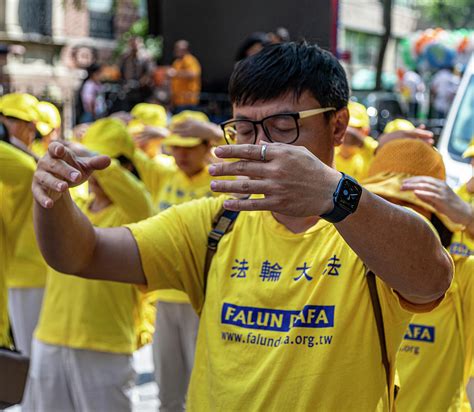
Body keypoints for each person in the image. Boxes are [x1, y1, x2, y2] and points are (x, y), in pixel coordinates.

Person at [32, 42, 453, 411]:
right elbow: (80, 254)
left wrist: (336, 196)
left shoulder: (367, 224)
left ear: (337, 125)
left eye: (282, 127)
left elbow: (431, 278)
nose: (260, 146)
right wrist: (52, 198)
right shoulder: (215, 221)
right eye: (245, 129)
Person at [24, 118, 154, 411]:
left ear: (125, 167)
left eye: (99, 165)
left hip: (105, 345)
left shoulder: (135, 213)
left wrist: (89, 154)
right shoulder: (76, 208)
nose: (92, 175)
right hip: (50, 338)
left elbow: (138, 195)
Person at [362, 138, 473, 411]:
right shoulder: (340, 266)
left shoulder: (461, 276)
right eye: (382, 208)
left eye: (407, 213)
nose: (392, 226)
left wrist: (470, 219)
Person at [132, 110, 221, 410]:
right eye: (176, 146)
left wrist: (210, 129)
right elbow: (124, 147)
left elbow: (250, 156)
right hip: (165, 297)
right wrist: (163, 131)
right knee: (168, 389)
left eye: (190, 145)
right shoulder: (164, 175)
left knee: (205, 390)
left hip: (203, 299)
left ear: (207, 147)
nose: (181, 153)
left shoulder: (222, 178)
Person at [0, 93, 47, 357]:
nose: (6, 124)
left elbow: (23, 171)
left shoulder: (30, 164)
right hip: (12, 274)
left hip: (30, 273)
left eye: (11, 119)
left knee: (30, 358)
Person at [334, 101, 378, 181]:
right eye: (345, 126)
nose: (347, 133)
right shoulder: (330, 152)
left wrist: (361, 143)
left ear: (365, 131)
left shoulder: (372, 153)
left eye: (355, 128)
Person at [168, 40, 201, 112]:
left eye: (178, 49)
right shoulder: (176, 62)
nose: (176, 50)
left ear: (185, 50)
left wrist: (176, 73)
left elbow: (194, 74)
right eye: (176, 48)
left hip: (188, 100)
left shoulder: (190, 60)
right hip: (177, 100)